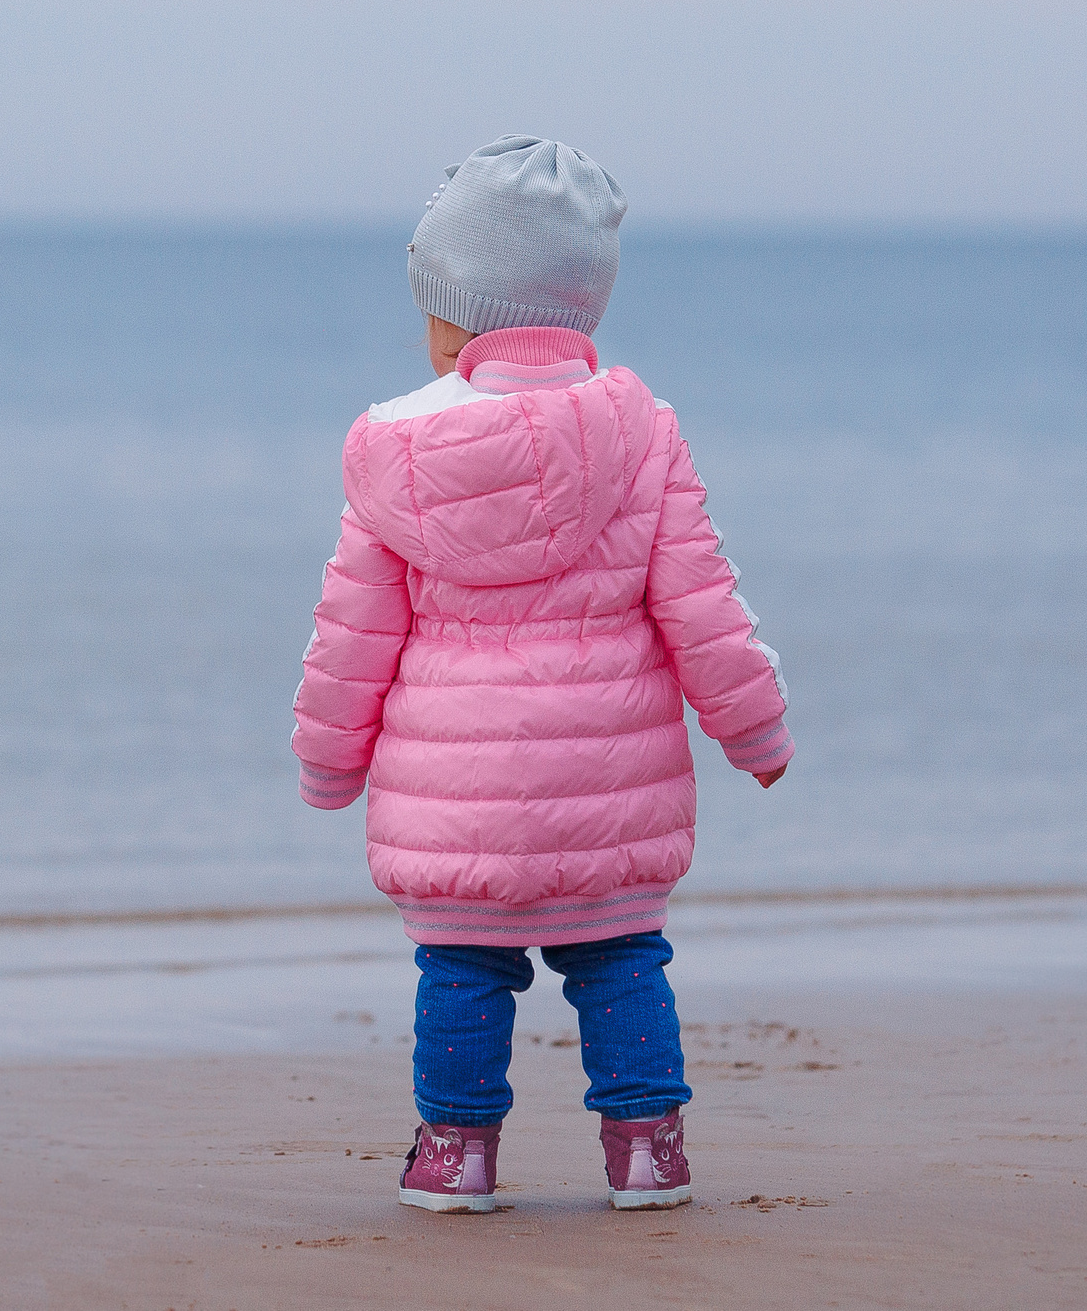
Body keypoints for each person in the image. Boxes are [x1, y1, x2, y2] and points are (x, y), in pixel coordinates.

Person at [290, 135, 793, 1215]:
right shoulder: (641, 432)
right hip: (610, 790)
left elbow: (351, 635)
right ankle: (648, 1149)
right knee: (619, 963)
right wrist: (755, 733)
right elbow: (702, 603)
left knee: (464, 973)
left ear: (457, 314)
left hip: (454, 801)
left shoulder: (392, 451)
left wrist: (329, 767)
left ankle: (456, 1157)